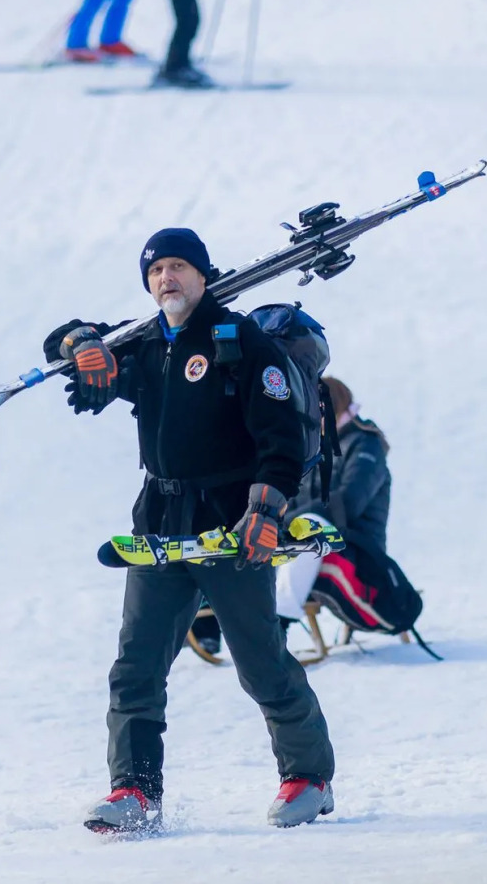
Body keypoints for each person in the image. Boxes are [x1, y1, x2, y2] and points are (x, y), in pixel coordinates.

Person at [43, 228, 336, 832]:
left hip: (232, 526)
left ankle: (308, 777)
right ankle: (134, 792)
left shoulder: (241, 342)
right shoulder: (145, 341)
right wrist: (82, 344)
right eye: (156, 271)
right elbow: (61, 341)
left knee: (259, 661)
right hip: (158, 525)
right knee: (136, 666)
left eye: (178, 266)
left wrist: (265, 512)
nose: (166, 278)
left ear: (204, 275)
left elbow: (281, 440)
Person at [275, 377, 392, 625]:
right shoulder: (316, 447)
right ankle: (214, 621)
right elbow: (294, 497)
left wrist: (292, 523)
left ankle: (280, 619)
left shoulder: (365, 444)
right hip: (321, 547)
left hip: (357, 549)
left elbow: (349, 502)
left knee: (310, 525)